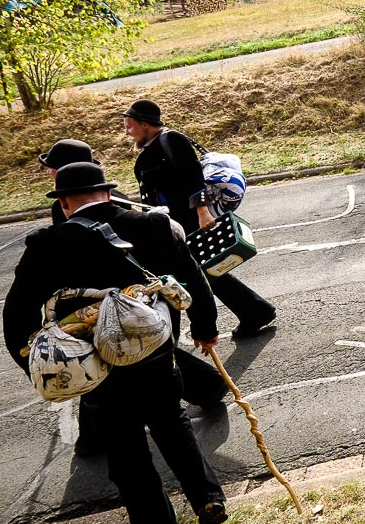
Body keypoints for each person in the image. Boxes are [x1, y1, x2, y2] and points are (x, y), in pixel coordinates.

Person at [2, 161, 228, 524]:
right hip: (155, 349)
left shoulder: (45, 246)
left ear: (66, 204)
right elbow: (193, 279)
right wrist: (205, 328)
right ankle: (208, 499)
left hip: (94, 363)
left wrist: (34, 364)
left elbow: (16, 316)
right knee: (172, 424)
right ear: (107, 193)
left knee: (125, 445)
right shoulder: (152, 226)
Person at [38, 138, 227, 456]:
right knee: (129, 360)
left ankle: (103, 438)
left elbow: (187, 274)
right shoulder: (93, 202)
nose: (49, 174)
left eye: (52, 168)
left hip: (131, 306)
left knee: (124, 364)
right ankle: (96, 438)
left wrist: (204, 324)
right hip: (128, 308)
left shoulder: (77, 211)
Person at [124, 100, 277, 340]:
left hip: (190, 219)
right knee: (203, 272)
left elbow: (193, 175)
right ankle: (255, 311)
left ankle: (254, 311)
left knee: (200, 273)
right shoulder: (149, 152)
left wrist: (202, 210)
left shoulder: (172, 140)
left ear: (145, 125)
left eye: (130, 126)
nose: (127, 132)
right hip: (173, 223)